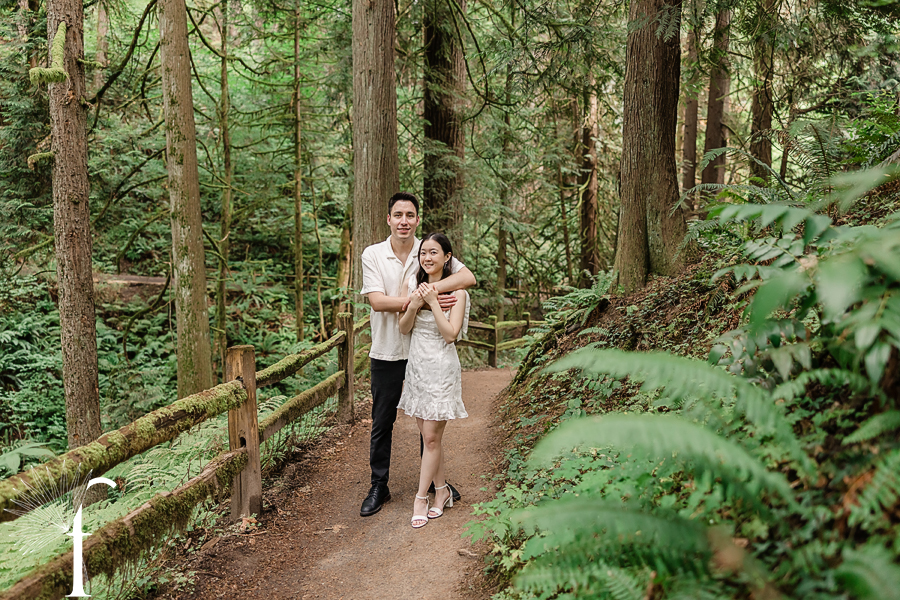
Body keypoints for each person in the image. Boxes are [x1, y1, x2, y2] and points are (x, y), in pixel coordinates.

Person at [359, 192, 476, 517]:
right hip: (387, 349)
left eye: (410, 215)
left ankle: (435, 486)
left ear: (417, 220)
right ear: (389, 219)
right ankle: (379, 485)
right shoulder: (373, 254)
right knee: (383, 420)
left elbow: (467, 278)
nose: (404, 221)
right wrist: (418, 300)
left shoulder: (426, 250)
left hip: (422, 355)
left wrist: (429, 291)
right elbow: (377, 302)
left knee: (429, 425)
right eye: (398, 215)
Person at [397, 232, 469, 528]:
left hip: (441, 368)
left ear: (447, 257)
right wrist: (414, 304)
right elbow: (404, 328)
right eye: (423, 252)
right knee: (432, 439)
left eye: (434, 252)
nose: (427, 258)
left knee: (430, 438)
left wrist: (434, 302)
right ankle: (441, 491)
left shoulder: (459, 292)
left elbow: (450, 335)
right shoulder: (411, 284)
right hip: (417, 368)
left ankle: (420, 498)